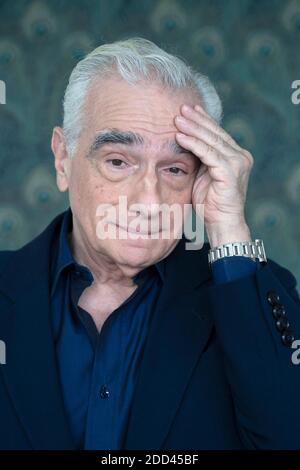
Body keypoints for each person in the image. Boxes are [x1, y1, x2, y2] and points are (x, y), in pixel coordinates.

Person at [0, 37, 300, 450]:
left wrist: (228, 227)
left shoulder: (244, 293)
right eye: (118, 161)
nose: (148, 201)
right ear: (62, 158)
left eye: (175, 168)